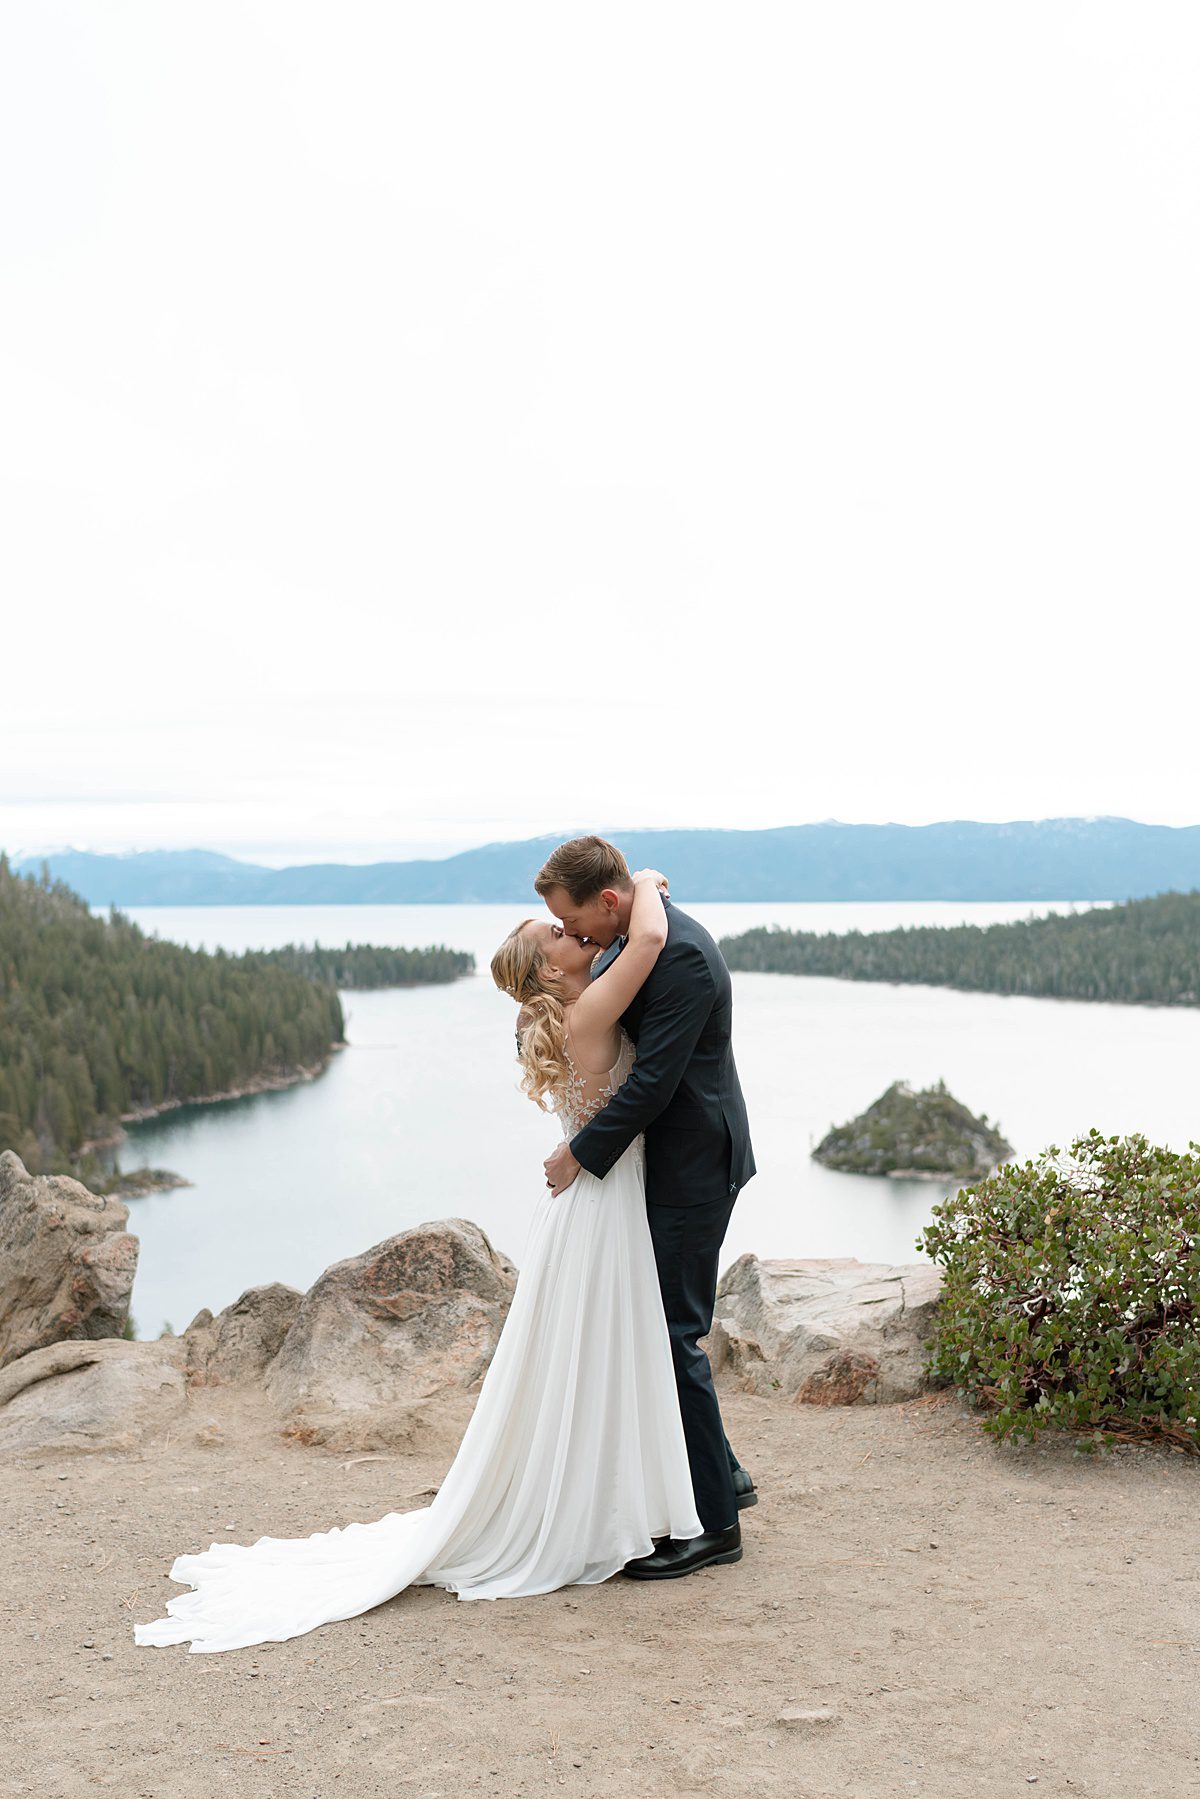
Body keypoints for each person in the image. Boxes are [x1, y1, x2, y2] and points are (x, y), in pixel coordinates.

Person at [133, 868, 712, 1655]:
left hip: (588, 1203)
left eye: (563, 924)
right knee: (606, 1354)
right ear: (548, 970)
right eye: (555, 933)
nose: (571, 932)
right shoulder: (589, 1009)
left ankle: (616, 1497)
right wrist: (643, 880)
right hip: (603, 1207)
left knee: (591, 1359)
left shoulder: (564, 1012)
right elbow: (647, 936)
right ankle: (606, 1508)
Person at [538, 835, 756, 1578]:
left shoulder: (680, 955)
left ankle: (717, 1528)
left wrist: (580, 1151)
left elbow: (655, 1082)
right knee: (661, 1328)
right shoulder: (633, 936)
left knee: (673, 1336)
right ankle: (726, 1476)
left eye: (576, 922)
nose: (576, 937)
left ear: (608, 900)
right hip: (666, 1163)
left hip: (695, 1165)